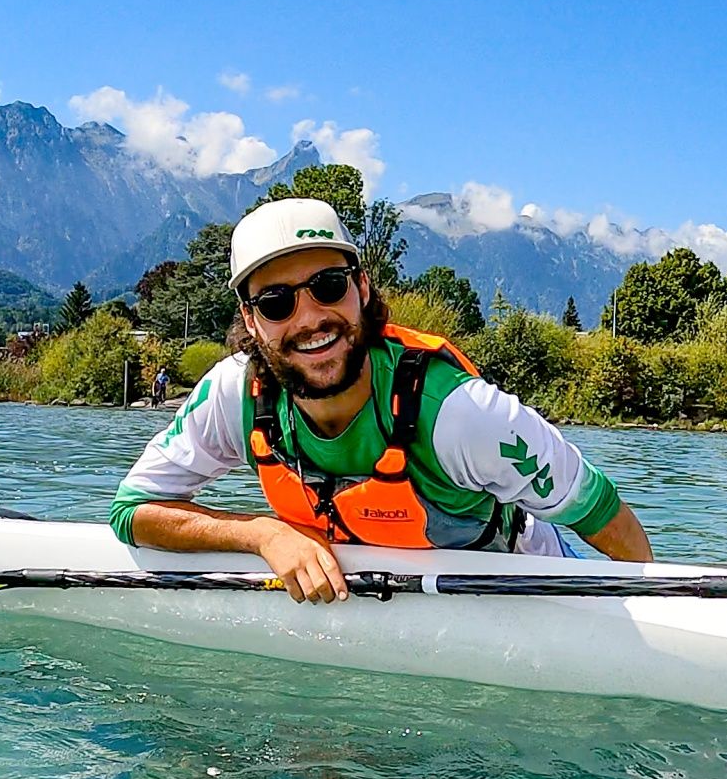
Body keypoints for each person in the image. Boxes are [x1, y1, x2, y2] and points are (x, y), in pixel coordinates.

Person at [111, 197, 652, 601]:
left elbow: (605, 517)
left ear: (362, 288)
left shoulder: (461, 415)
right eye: (276, 302)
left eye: (327, 286)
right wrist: (262, 535)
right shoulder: (234, 395)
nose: (308, 318)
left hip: (516, 584)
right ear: (251, 321)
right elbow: (131, 510)